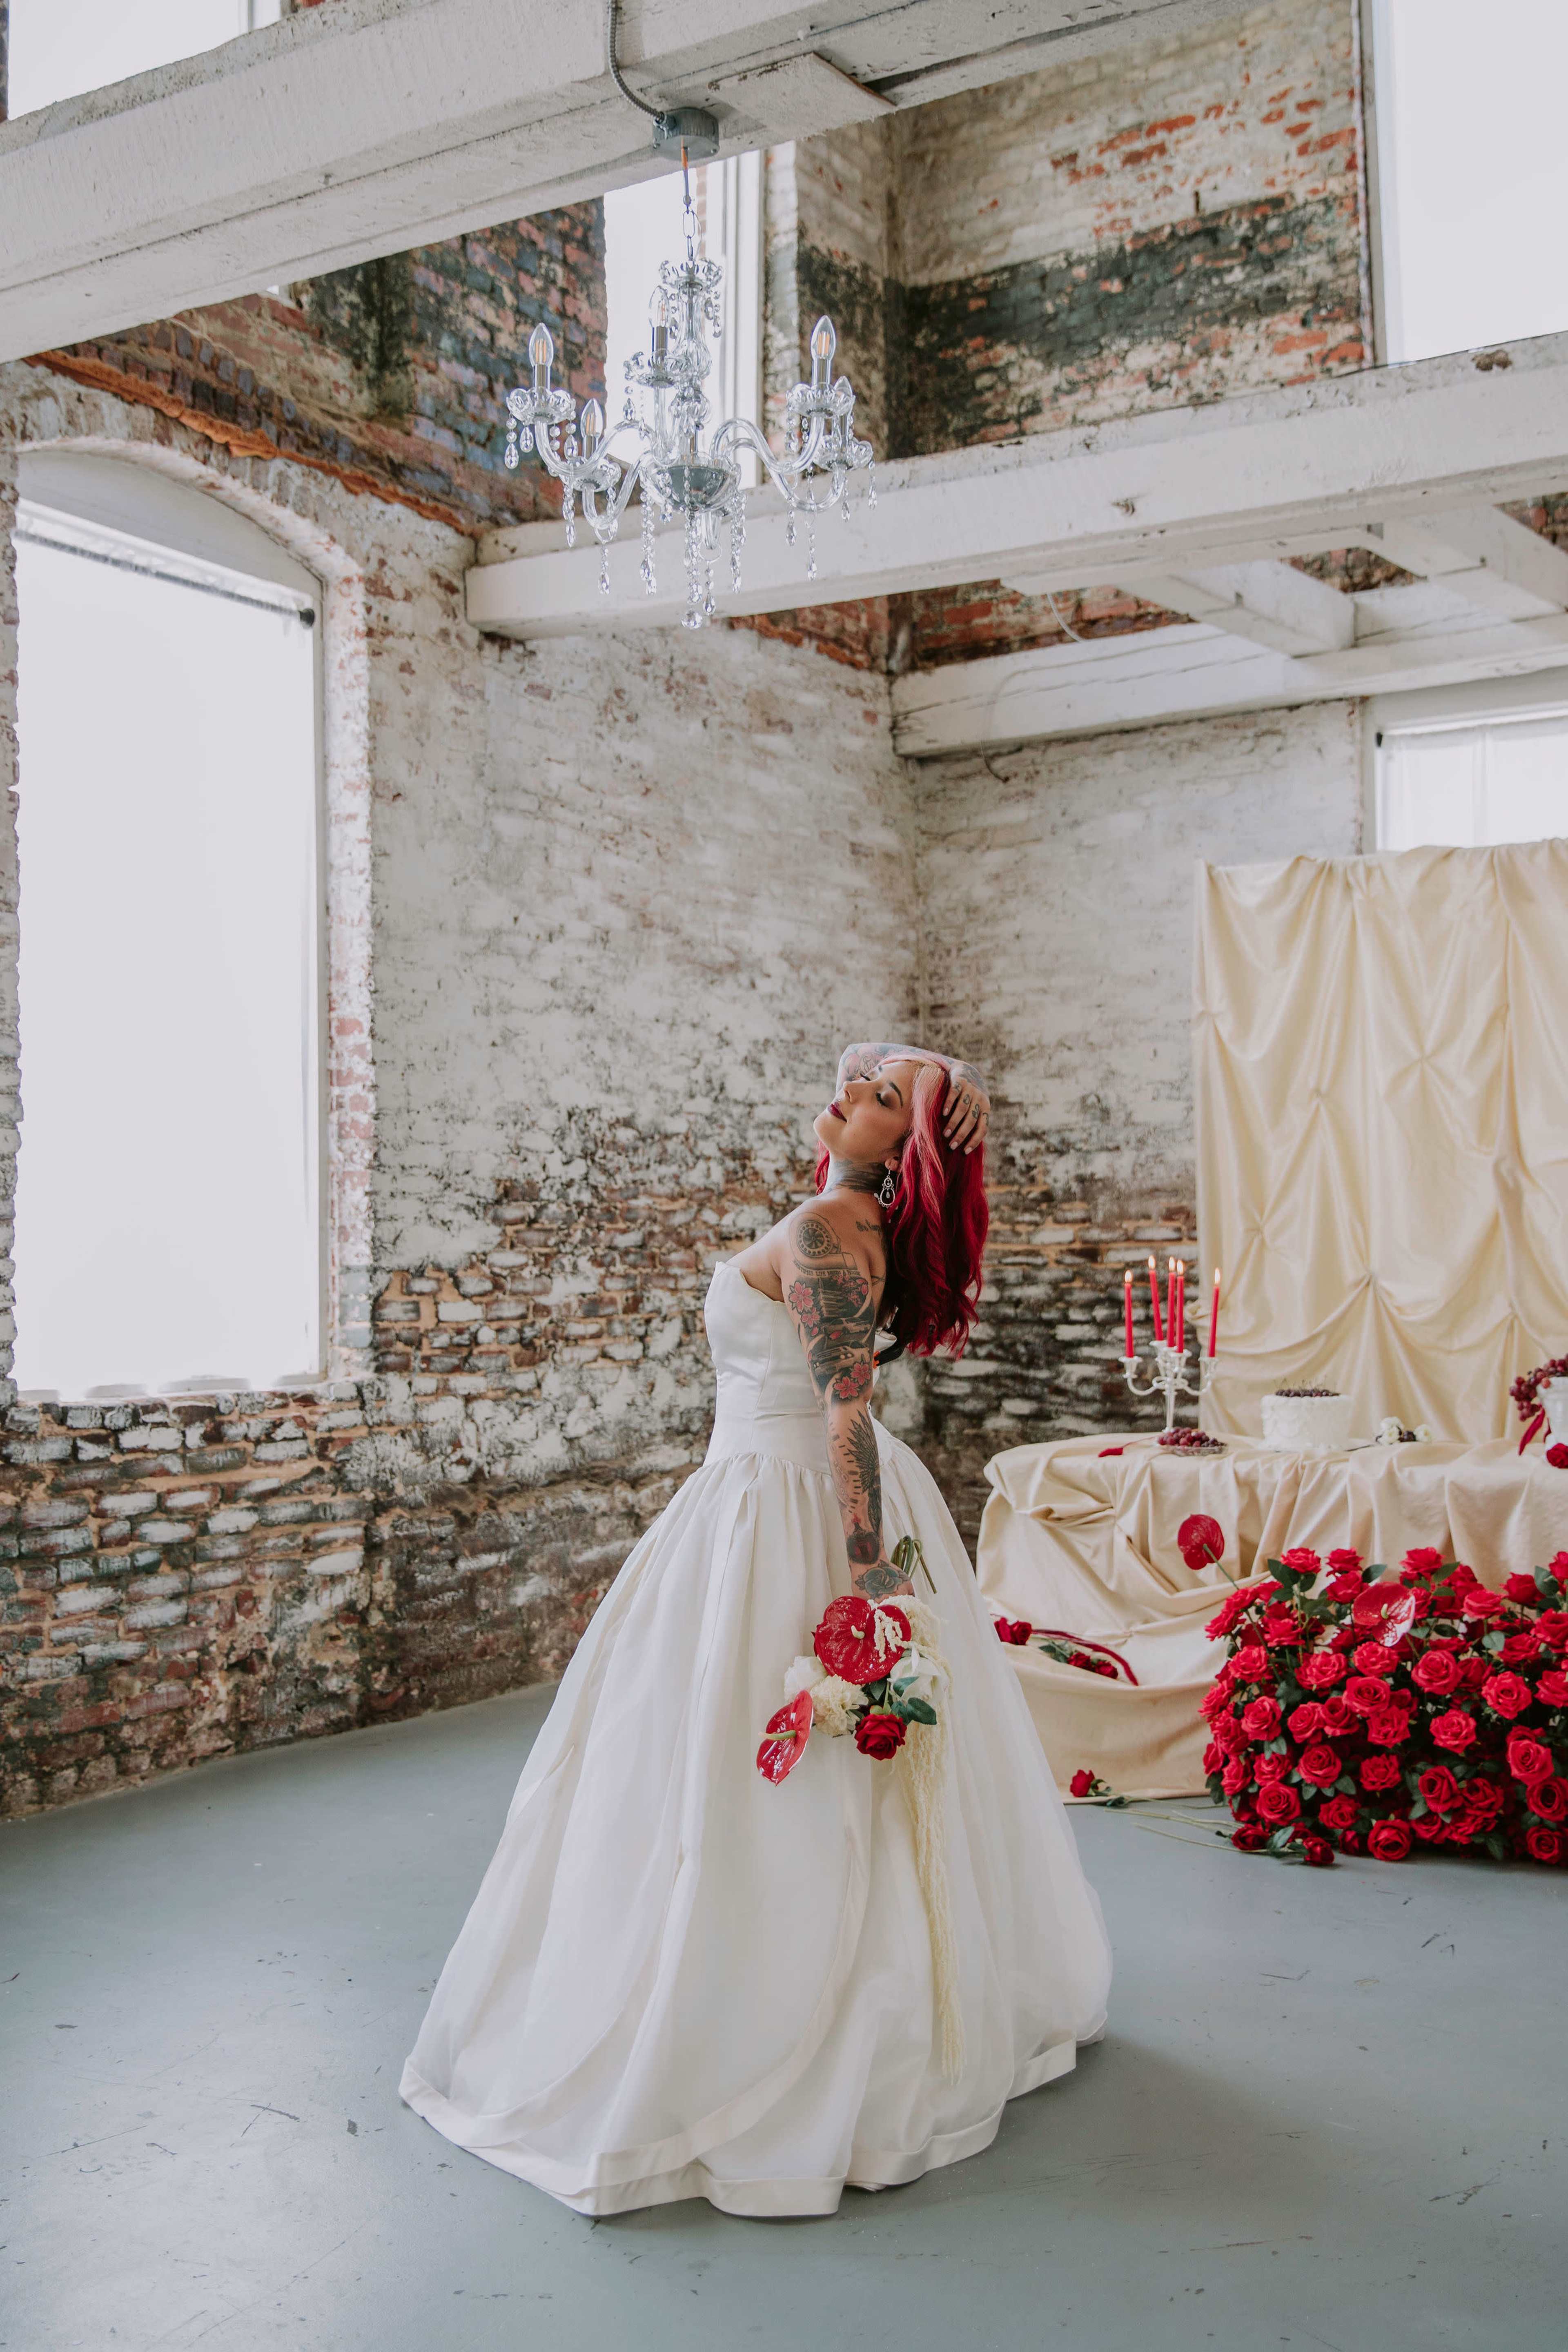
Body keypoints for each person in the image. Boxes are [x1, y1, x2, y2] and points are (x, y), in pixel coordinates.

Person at [401, 1041, 1111, 2217]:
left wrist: (873, 1583)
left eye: (885, 1101)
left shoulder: (832, 1225)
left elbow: (846, 1415)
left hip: (790, 1502)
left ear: (906, 1153)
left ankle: (788, 2012)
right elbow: (857, 1073)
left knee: (762, 1764)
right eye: (862, 1082)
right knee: (727, 1759)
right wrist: (933, 1079)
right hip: (758, 1489)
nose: (852, 1091)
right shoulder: (848, 1209)